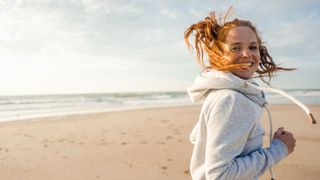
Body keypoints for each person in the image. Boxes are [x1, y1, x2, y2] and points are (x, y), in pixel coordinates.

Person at [184, 9, 296, 180]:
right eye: (235, 48)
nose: (246, 54)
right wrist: (279, 149)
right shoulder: (232, 100)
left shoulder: (222, 93)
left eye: (253, 47)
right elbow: (220, 175)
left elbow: (198, 137)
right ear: (219, 55)